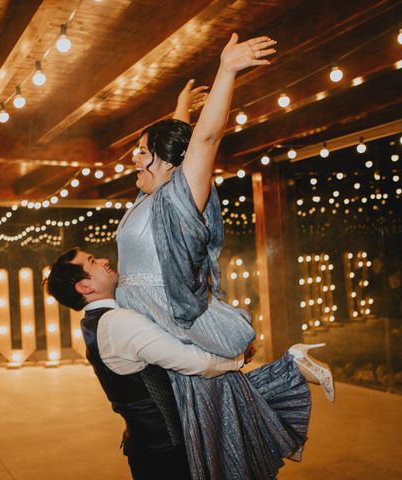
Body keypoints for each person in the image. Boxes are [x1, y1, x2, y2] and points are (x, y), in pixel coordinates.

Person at [115, 34, 333, 479]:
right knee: (214, 402)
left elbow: (203, 141)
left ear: (164, 162)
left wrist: (226, 72)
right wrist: (180, 110)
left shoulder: (178, 199)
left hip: (175, 317)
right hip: (155, 322)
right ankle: (293, 367)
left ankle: (289, 373)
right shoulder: (146, 196)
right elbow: (176, 144)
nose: (135, 158)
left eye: (142, 151)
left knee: (213, 406)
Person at [46, 247, 247, 480]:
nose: (104, 260)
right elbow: (194, 362)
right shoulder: (118, 323)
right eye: (92, 261)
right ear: (84, 287)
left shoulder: (96, 323)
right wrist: (237, 358)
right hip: (165, 458)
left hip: (148, 451)